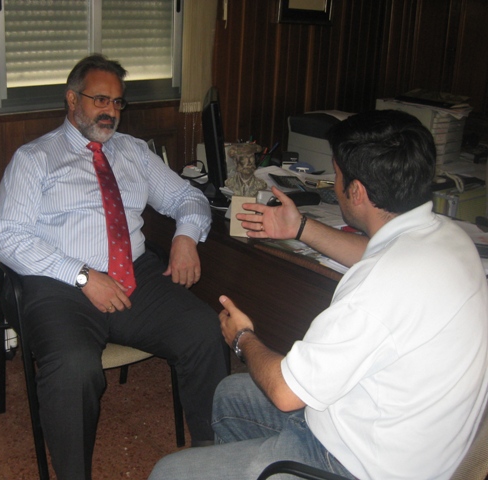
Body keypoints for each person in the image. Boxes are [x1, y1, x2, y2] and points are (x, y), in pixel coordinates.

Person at [149, 109, 488, 480]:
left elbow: (283, 392)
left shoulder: (374, 293)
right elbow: (373, 252)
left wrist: (242, 338)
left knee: (168, 473)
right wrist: (301, 228)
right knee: (232, 395)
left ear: (356, 191)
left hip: (356, 465)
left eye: (338, 176)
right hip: (400, 434)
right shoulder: (447, 235)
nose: (336, 184)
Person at [0, 54, 228, 480]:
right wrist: (82, 274)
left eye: (118, 103)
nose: (111, 112)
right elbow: (8, 237)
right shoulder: (36, 158)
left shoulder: (133, 152)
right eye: (101, 99)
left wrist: (185, 237)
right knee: (73, 367)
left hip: (135, 276)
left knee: (204, 330)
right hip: (60, 285)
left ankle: (211, 456)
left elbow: (187, 198)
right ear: (71, 99)